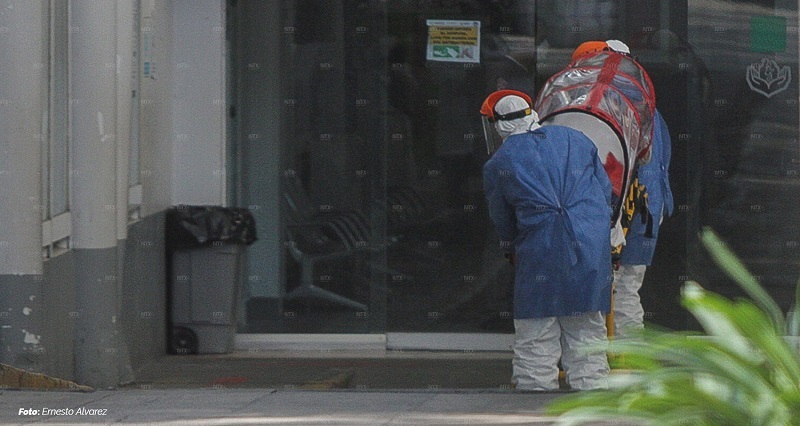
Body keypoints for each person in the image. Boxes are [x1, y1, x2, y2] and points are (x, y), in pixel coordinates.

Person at [481, 90, 613, 391]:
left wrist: (511, 246)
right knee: (587, 333)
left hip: (540, 248)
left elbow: (503, 220)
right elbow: (604, 192)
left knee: (536, 335)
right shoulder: (575, 139)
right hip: (589, 246)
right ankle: (593, 405)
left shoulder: (500, 161)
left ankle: (534, 402)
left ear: (499, 124)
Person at [602, 40, 674, 338]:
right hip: (646, 209)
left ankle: (628, 358)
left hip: (630, 211)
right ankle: (628, 357)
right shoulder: (649, 107)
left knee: (620, 286)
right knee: (626, 285)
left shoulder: (618, 105)